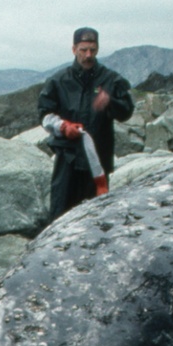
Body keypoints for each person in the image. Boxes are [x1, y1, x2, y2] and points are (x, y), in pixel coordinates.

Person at [38, 27, 134, 223]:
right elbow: (44, 114)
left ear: (97, 49)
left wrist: (110, 102)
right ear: (74, 49)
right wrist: (62, 126)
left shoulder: (111, 79)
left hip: (98, 162)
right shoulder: (58, 81)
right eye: (83, 50)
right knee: (60, 217)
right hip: (68, 158)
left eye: (92, 49)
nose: (88, 55)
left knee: (96, 220)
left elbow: (126, 112)